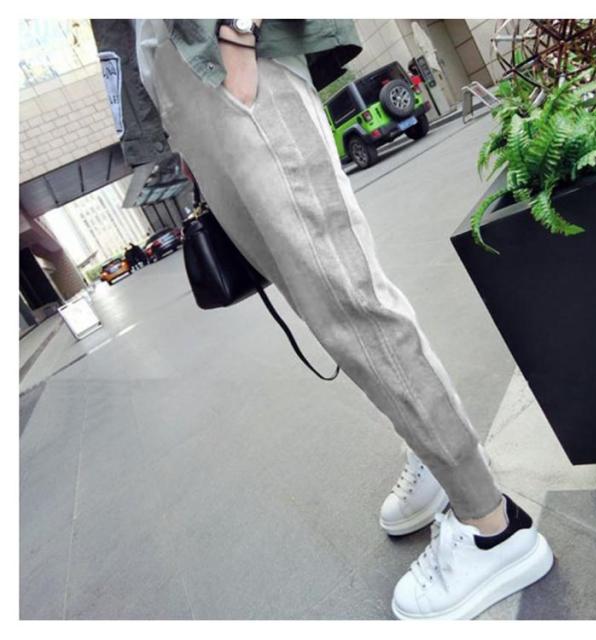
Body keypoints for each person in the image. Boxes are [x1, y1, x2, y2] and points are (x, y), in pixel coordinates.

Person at [128, 19, 554, 620]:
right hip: (189, 79)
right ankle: (435, 457)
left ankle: (492, 525)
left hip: (228, 57)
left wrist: (237, 34)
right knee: (323, 306)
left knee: (347, 299)